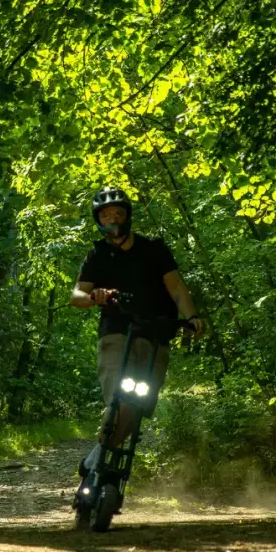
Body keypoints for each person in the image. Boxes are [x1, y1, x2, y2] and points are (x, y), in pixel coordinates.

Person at [70, 186, 206, 472]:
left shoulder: (154, 249)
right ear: (99, 221)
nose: (114, 219)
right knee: (119, 399)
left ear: (128, 216)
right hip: (117, 332)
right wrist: (95, 297)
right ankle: (100, 455)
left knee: (139, 404)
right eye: (107, 215)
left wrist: (191, 317)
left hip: (157, 332)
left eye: (119, 213)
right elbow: (77, 296)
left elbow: (176, 287)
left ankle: (99, 453)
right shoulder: (97, 255)